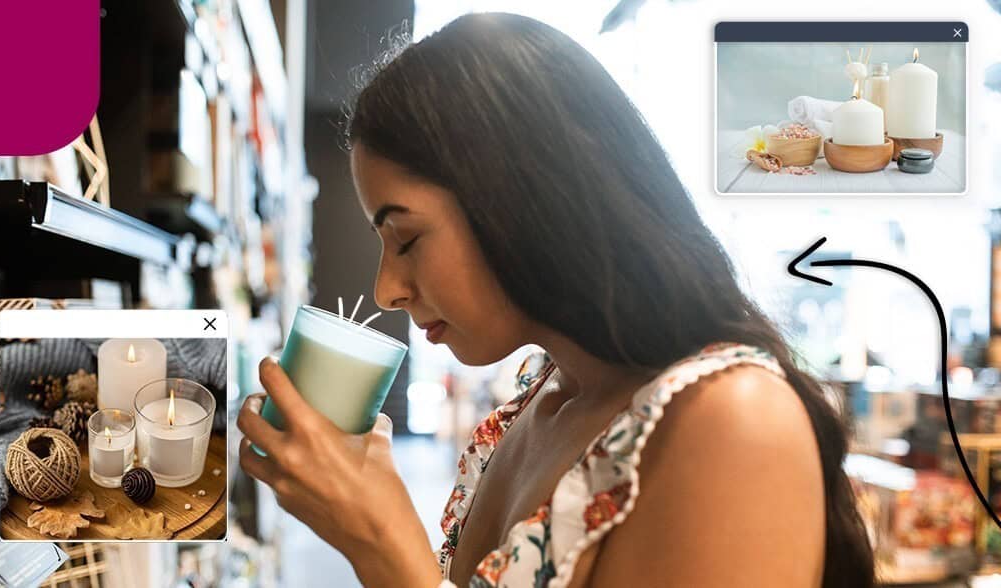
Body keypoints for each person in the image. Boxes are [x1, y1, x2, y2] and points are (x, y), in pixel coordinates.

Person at [237, 12, 875, 587]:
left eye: (406, 238)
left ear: (522, 200)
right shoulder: (537, 404)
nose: (386, 290)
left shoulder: (734, 420)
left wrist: (383, 549)